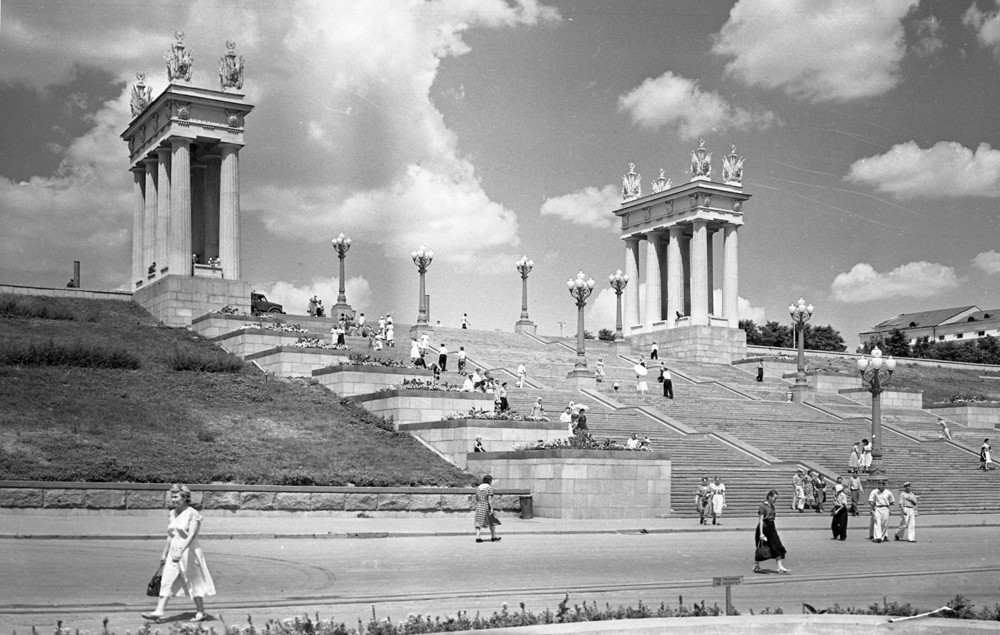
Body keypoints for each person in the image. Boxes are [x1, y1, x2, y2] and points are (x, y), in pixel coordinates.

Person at [142, 484, 215, 622]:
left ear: (185, 497)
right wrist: (164, 553)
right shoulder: (172, 513)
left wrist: (181, 551)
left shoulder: (192, 513)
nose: (173, 500)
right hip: (173, 551)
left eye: (176, 497)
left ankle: (201, 612)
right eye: (172, 497)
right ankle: (159, 611)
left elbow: (191, 535)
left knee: (194, 581)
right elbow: (170, 535)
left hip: (189, 551)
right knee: (166, 580)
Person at [754, 489, 790, 574]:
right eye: (774, 498)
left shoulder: (772, 506)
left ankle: (780, 566)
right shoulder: (763, 506)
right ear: (769, 497)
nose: (775, 500)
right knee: (761, 547)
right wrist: (761, 533)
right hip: (764, 527)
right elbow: (761, 520)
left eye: (776, 499)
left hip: (771, 527)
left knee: (777, 545)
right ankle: (756, 565)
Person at [473, 475, 500, 542]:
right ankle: (493, 536)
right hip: (486, 505)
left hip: (479, 505)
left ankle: (478, 537)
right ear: (489, 481)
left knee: (478, 521)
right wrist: (491, 508)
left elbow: (476, 498)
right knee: (492, 521)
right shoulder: (489, 488)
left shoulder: (478, 488)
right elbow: (489, 499)